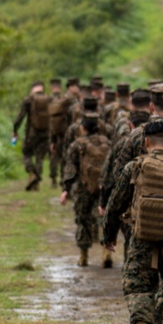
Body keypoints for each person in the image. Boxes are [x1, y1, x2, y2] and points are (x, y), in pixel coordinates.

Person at [103, 116, 163, 324]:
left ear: (146, 142)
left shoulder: (135, 166)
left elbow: (115, 204)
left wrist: (109, 235)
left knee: (136, 287)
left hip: (140, 238)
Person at [61, 105, 110, 265]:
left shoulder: (77, 144)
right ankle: (106, 252)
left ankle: (83, 256)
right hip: (104, 188)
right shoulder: (108, 143)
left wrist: (65, 189)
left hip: (83, 187)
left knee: (83, 219)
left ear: (82, 128)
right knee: (104, 220)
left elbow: (70, 168)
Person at [12, 80, 51, 190]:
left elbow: (20, 117)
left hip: (31, 133)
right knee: (39, 157)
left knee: (26, 153)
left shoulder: (28, 99)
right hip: (46, 133)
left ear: (32, 88)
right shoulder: (49, 99)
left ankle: (32, 173)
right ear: (42, 88)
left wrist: (15, 130)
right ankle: (36, 183)